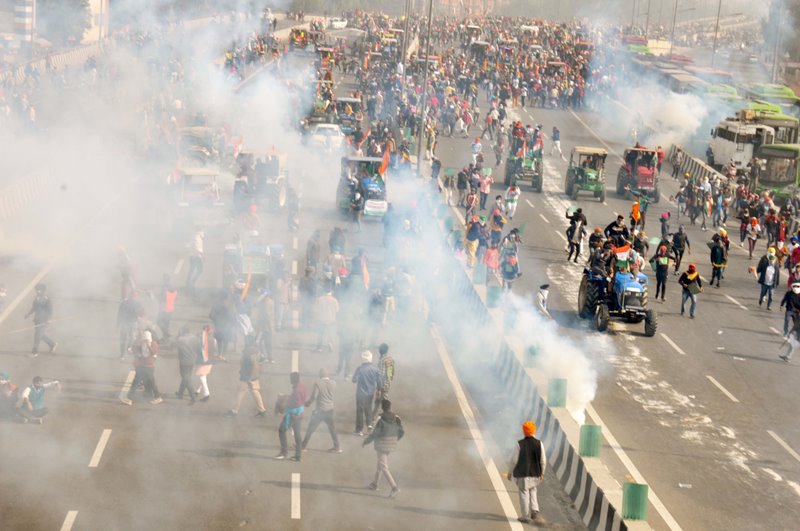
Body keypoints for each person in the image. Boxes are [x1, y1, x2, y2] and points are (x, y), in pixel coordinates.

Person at [363, 399, 404, 498]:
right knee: (380, 464)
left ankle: (394, 487)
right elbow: (401, 432)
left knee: (383, 466)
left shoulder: (380, 419)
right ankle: (375, 484)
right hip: (392, 444)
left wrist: (366, 441)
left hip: (382, 444)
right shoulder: (396, 417)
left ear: (382, 408)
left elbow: (375, 434)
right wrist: (395, 439)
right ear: (390, 407)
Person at [507, 421, 546, 524]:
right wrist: (542, 473)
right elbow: (543, 461)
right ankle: (535, 510)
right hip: (536, 474)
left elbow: (514, 460)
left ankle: (525, 517)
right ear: (534, 431)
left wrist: (510, 472)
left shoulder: (519, 444)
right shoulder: (539, 443)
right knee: (533, 490)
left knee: (524, 493)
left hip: (523, 475)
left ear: (524, 431)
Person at [121, 323, 162, 405]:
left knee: (136, 382)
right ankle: (157, 397)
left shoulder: (153, 345)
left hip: (147, 367)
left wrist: (148, 345)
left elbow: (151, 353)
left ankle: (129, 398)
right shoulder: (143, 344)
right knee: (149, 382)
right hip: (144, 366)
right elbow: (137, 350)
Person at [301, 368, 341, 453]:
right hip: (330, 410)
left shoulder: (318, 383)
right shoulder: (333, 383)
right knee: (332, 429)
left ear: (320, 375)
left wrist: (307, 403)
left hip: (320, 411)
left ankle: (303, 446)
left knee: (311, 428)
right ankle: (337, 447)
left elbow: (314, 396)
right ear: (328, 375)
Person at [226, 346, 267, 417]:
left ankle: (234, 411)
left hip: (247, 379)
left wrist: (247, 379)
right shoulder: (256, 355)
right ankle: (262, 410)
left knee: (240, 393)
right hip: (255, 377)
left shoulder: (247, 358)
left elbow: (246, 370)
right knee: (255, 392)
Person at [276, 372, 307, 461]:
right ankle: (298, 455)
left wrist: (283, 404)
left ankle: (284, 452)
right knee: (297, 434)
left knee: (281, 430)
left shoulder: (296, 390)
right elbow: (301, 399)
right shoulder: (302, 386)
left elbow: (294, 403)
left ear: (292, 380)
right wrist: (287, 396)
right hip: (300, 412)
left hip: (293, 414)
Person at [352, 350, 379, 436]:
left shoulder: (359, 369)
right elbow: (379, 381)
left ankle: (359, 429)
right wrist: (378, 390)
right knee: (368, 408)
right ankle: (369, 425)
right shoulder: (375, 369)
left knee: (360, 410)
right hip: (370, 392)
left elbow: (354, 380)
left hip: (360, 393)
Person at [25, 283, 57, 356]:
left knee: (37, 335)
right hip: (37, 319)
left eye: (39, 290)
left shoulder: (47, 299)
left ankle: (34, 352)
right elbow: (34, 307)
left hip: (44, 320)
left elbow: (50, 310)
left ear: (43, 290)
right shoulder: (36, 298)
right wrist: (28, 314)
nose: (38, 291)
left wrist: (49, 319)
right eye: (37, 290)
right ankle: (52, 344)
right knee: (41, 335)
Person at [174, 325, 197, 404]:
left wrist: (178, 335)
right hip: (192, 361)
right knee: (185, 378)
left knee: (186, 379)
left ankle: (193, 397)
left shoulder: (181, 339)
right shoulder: (194, 338)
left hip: (184, 362)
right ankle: (180, 393)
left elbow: (172, 345)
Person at [372, 343, 395, 423]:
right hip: (387, 384)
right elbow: (390, 373)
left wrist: (379, 388)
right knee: (384, 400)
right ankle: (375, 416)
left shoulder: (382, 360)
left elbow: (380, 375)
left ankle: (375, 417)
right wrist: (388, 381)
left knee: (380, 401)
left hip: (381, 384)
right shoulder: (390, 359)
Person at [157, 274, 178, 339]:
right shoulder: (173, 288)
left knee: (159, 321)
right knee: (166, 322)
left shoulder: (165, 287)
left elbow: (162, 297)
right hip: (171, 308)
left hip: (164, 309)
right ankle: (165, 334)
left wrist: (156, 296)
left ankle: (165, 334)